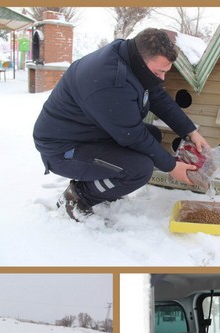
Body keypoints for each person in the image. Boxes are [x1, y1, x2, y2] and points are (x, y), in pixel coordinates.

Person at [32, 28, 210, 221]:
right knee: (139, 169)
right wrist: (171, 166)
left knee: (152, 138)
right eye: (159, 72)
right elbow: (132, 135)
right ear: (142, 61)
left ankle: (106, 184)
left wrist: (190, 130)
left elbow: (157, 95)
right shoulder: (111, 82)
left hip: (88, 133)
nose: (162, 78)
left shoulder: (129, 55)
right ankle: (78, 196)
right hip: (63, 148)